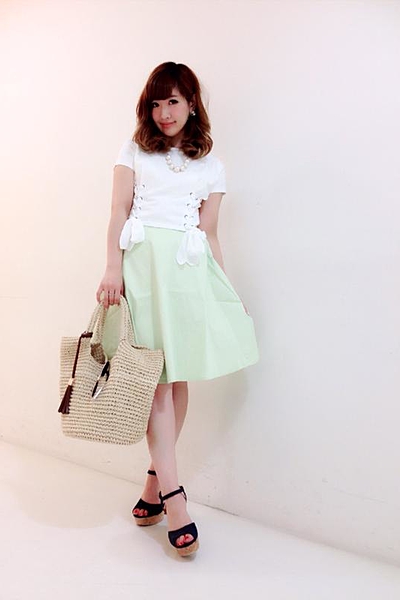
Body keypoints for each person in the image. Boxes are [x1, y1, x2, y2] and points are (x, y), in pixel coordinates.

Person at [96, 61, 259, 557]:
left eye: (173, 101)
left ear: (191, 104)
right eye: (156, 103)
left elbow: (209, 234)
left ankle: (154, 483)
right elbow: (118, 212)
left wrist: (224, 289)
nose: (164, 112)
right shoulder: (133, 151)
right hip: (143, 270)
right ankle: (174, 496)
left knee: (176, 375)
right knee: (155, 380)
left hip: (187, 275)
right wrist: (112, 269)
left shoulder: (211, 166)